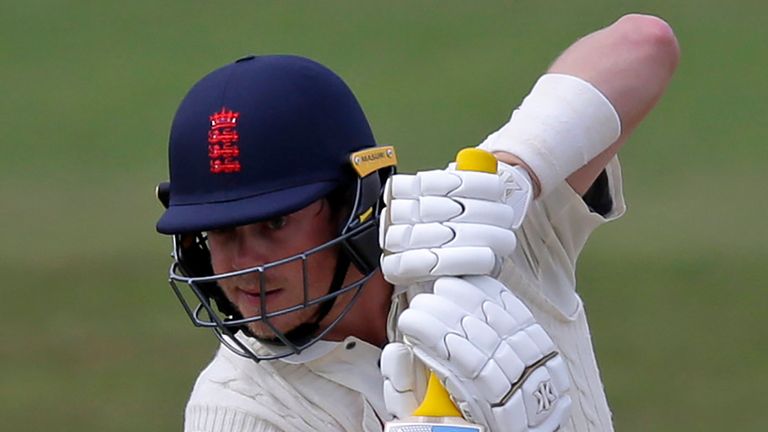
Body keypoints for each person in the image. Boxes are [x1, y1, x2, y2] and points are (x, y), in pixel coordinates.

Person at [155, 13, 679, 432]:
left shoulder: (487, 229)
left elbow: (644, 44)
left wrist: (516, 175)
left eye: (275, 225)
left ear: (356, 203)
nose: (245, 266)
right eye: (222, 233)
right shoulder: (238, 409)